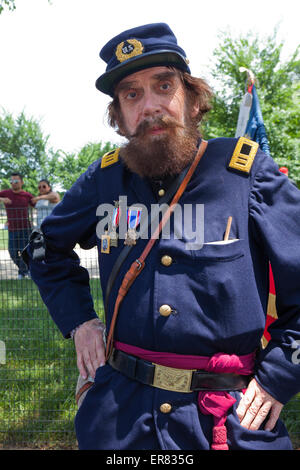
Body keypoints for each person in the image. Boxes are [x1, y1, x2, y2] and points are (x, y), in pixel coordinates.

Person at [25, 23, 300, 450]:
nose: (150, 105)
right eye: (131, 94)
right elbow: (43, 248)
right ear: (118, 115)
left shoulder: (246, 174)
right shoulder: (104, 178)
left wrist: (279, 377)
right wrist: (79, 320)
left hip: (225, 419)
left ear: (192, 99)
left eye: (164, 85)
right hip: (118, 420)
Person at [0, 172, 35, 279]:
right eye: (11, 181)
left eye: (16, 181)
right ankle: (24, 270)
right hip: (12, 229)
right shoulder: (5, 193)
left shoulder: (27, 195)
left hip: (25, 228)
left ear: (22, 182)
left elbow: (37, 204)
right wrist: (2, 199)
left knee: (24, 251)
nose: (13, 183)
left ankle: (22, 272)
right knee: (13, 252)